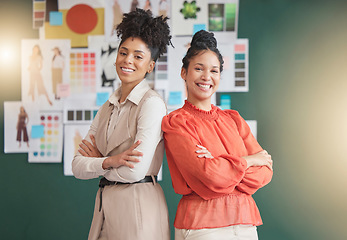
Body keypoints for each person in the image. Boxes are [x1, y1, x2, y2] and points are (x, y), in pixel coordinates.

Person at [162, 30, 273, 240]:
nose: (206, 77)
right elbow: (209, 175)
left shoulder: (233, 119)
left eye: (214, 71)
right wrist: (250, 160)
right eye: (198, 68)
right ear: (184, 72)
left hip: (246, 225)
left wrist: (219, 164)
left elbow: (265, 172)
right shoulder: (177, 122)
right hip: (202, 227)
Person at [72, 8, 172, 240]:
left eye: (138, 56)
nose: (128, 60)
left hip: (139, 208)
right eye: (123, 52)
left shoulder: (152, 105)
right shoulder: (107, 107)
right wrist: (110, 161)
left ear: (150, 66)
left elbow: (134, 170)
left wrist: (98, 162)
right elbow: (77, 165)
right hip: (105, 209)